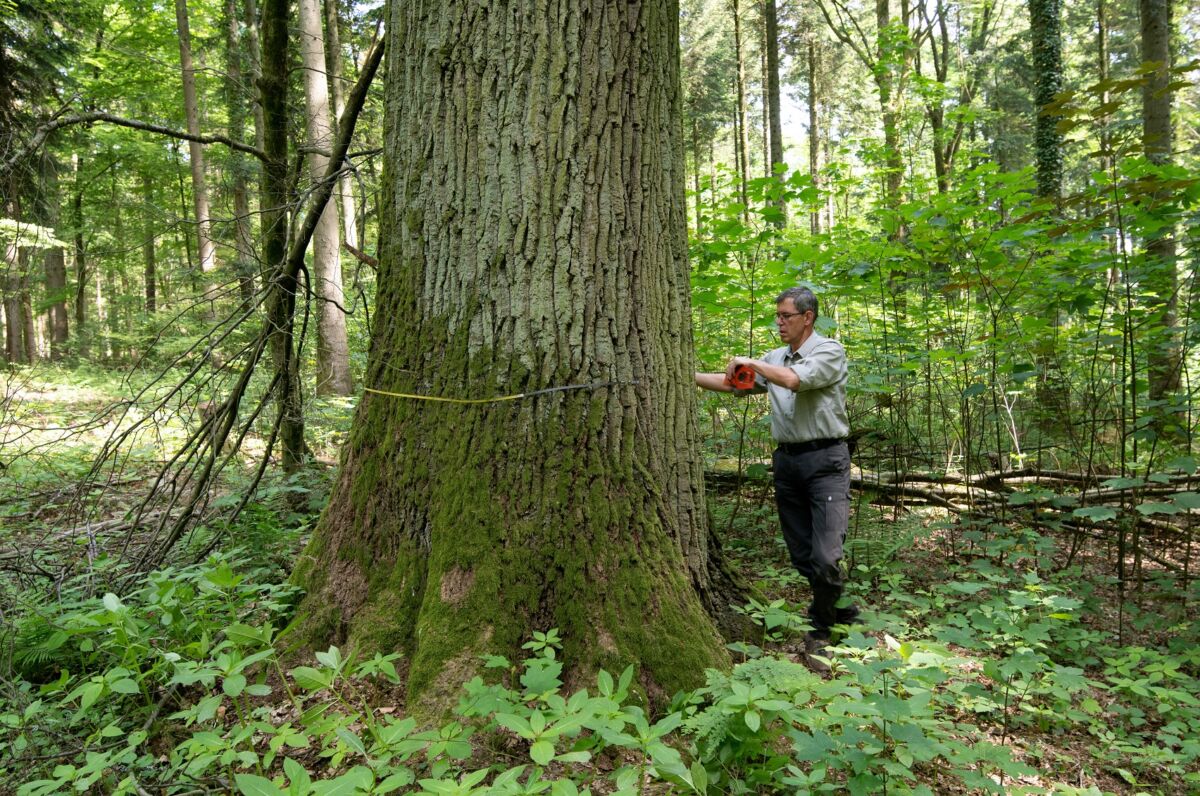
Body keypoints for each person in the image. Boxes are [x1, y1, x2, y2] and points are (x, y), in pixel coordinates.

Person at [695, 286, 856, 671]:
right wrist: (685, 375)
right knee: (802, 555)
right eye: (777, 316)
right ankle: (841, 607)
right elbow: (737, 384)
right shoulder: (774, 358)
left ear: (808, 318)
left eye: (786, 316)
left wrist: (752, 361)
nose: (779, 322)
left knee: (826, 556)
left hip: (826, 462)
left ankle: (820, 631)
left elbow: (795, 380)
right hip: (788, 463)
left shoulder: (827, 351)